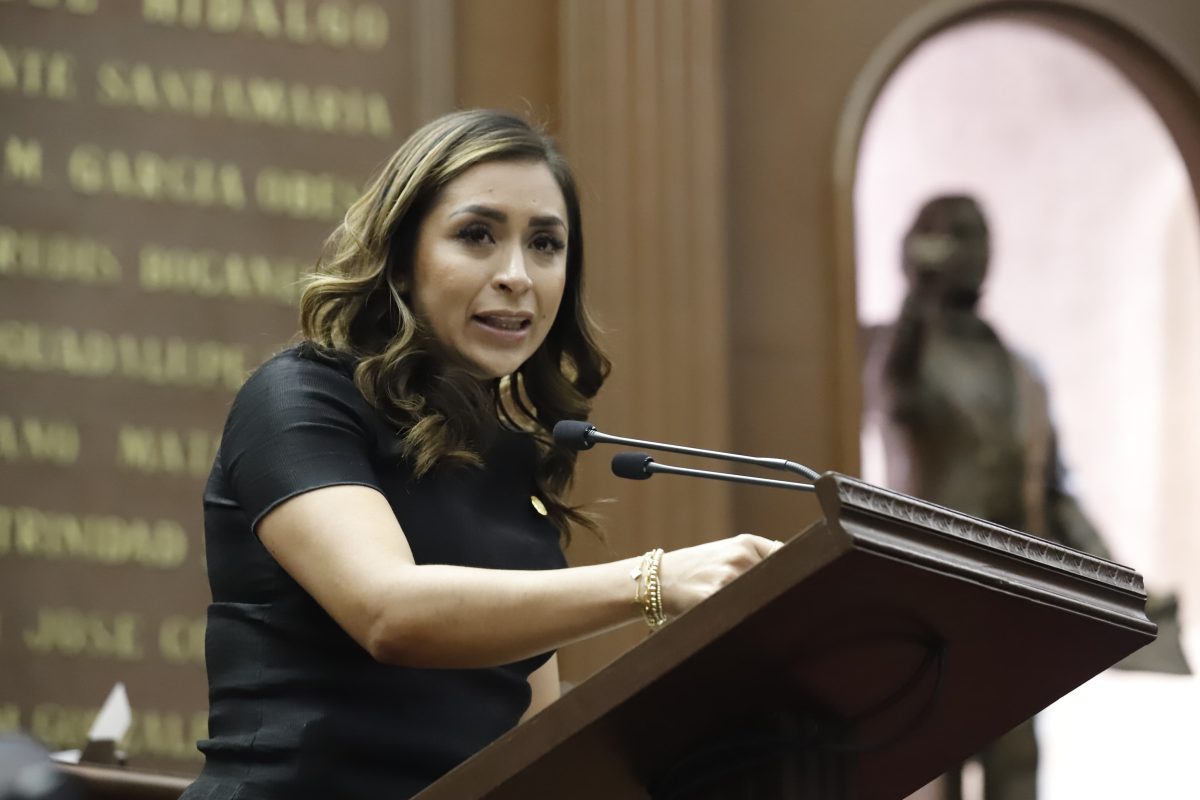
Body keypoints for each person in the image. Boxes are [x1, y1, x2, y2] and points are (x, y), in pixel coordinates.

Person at [180, 109, 782, 800]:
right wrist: (653, 580)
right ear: (401, 258)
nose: (517, 275)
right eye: (477, 236)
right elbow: (388, 613)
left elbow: (538, 743)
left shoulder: (513, 459)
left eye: (546, 244)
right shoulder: (299, 397)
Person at [860, 194, 1187, 800]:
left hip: (1014, 604)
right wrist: (915, 297)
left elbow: (1056, 494)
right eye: (951, 234)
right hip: (931, 599)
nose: (969, 248)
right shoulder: (895, 351)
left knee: (1017, 768)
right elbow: (894, 394)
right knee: (932, 771)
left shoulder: (1023, 371)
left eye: (976, 233)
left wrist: (1121, 583)